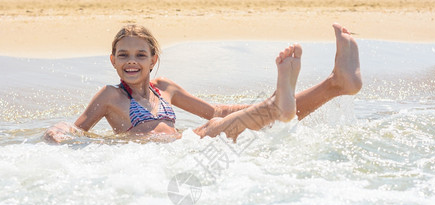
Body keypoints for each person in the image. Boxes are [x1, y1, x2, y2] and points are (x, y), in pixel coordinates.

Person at [44, 23, 361, 143]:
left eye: (140, 55)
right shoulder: (111, 95)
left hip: (185, 144)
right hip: (155, 156)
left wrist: (251, 107)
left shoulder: (164, 87)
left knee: (234, 120)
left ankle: (335, 84)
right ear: (112, 60)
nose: (131, 61)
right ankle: (294, 97)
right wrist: (59, 129)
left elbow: (216, 109)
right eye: (123, 54)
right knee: (236, 123)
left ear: (153, 60)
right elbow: (80, 127)